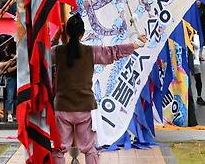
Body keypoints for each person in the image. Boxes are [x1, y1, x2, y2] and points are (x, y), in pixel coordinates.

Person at [51, 13, 147, 164]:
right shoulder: (91, 52)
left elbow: (41, 56)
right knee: (90, 149)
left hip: (62, 107)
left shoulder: (56, 52)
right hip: (85, 107)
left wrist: (56, 38)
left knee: (59, 150)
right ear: (82, 33)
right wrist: (135, 45)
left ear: (66, 32)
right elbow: (112, 51)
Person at [0, 38, 18, 121]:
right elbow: (8, 70)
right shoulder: (3, 54)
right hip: (10, 77)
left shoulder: (17, 53)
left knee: (17, 96)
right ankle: (10, 114)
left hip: (18, 76)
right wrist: (17, 64)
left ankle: (15, 113)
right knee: (10, 96)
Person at [190, 30, 205, 106]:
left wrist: (189, 41)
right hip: (185, 61)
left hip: (195, 61)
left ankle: (199, 96)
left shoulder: (195, 36)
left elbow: (197, 46)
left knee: (198, 78)